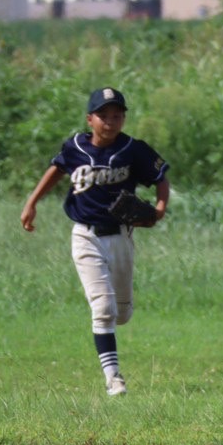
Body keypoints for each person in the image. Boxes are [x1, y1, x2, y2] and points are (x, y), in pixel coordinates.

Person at [21, 87, 171, 397]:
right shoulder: (75, 146)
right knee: (103, 307)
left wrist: (159, 208)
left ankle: (117, 325)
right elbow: (56, 170)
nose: (110, 121)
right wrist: (32, 202)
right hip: (85, 235)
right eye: (103, 116)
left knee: (122, 313)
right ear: (90, 119)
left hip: (121, 237)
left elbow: (160, 177)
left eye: (117, 116)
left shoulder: (133, 149)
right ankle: (113, 378)